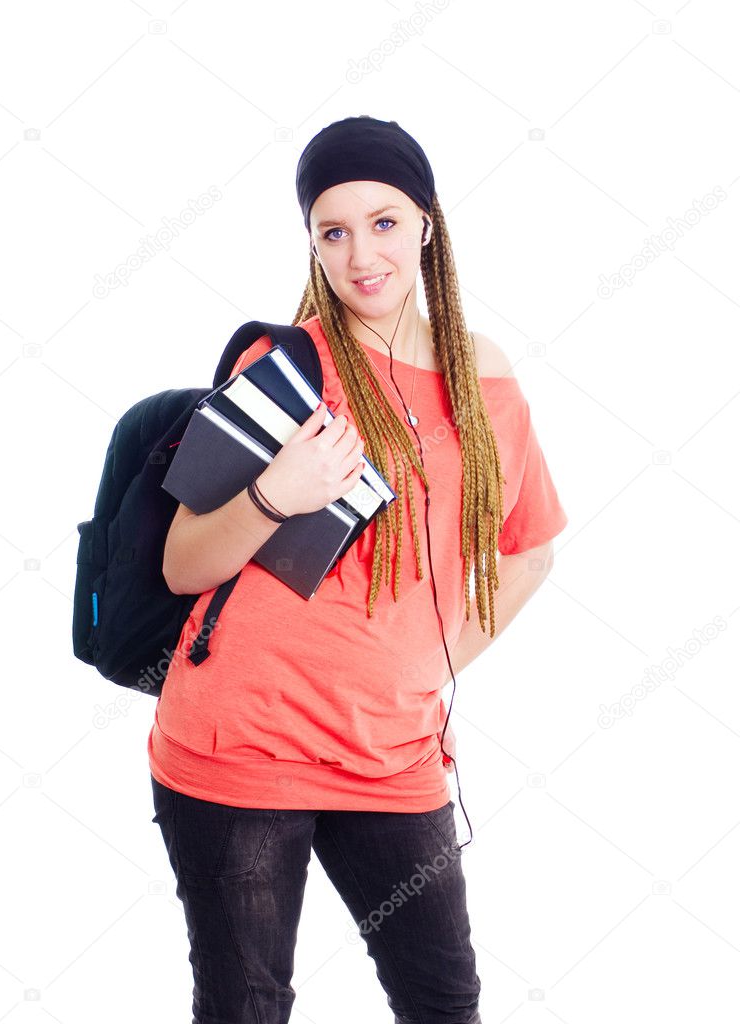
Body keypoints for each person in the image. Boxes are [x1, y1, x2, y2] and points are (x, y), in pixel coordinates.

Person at [149, 114, 568, 1024]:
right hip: (241, 748)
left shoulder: (483, 381)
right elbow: (184, 563)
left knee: (443, 1002)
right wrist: (275, 496)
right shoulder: (286, 365)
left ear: (425, 223)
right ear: (312, 244)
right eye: (332, 231)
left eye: (382, 222)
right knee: (247, 1008)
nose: (360, 253)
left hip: (394, 757)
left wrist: (431, 667)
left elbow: (528, 549)